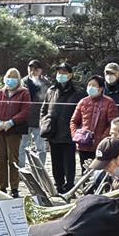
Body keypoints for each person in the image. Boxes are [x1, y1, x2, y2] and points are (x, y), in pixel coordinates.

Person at [40, 61, 82, 193]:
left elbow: (82, 112)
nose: (61, 75)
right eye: (59, 72)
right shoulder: (51, 90)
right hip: (53, 131)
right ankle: (59, 185)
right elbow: (44, 109)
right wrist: (44, 123)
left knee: (69, 162)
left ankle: (69, 186)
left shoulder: (78, 92)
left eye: (64, 72)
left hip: (69, 133)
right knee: (56, 162)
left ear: (70, 75)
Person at [0, 69, 30, 195]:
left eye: (13, 77)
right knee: (0, 159)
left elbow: (25, 110)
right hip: (0, 130)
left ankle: (14, 187)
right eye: (8, 77)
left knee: (13, 159)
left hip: (14, 131)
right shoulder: (0, 93)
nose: (10, 80)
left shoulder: (24, 93)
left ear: (18, 79)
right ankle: (2, 186)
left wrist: (11, 122)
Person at [70, 74, 119, 167]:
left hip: (101, 146)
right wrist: (76, 135)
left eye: (94, 85)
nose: (90, 87)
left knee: (99, 171)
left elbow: (113, 124)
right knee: (85, 170)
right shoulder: (83, 102)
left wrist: (102, 139)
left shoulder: (109, 102)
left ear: (101, 88)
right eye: (89, 85)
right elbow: (74, 121)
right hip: (83, 144)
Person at [20, 59, 50, 166]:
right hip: (25, 120)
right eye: (30, 68)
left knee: (41, 148)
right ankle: (21, 169)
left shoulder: (46, 83)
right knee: (22, 146)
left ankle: (40, 169)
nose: (32, 71)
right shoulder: (23, 82)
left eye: (35, 69)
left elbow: (48, 101)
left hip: (39, 120)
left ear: (40, 70)